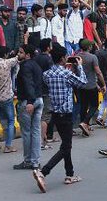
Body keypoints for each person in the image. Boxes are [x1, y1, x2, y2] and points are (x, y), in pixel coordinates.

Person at [31, 47, 88, 192]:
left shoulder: (47, 74)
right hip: (66, 113)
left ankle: (70, 174)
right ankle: (43, 172)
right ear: (63, 58)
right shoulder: (66, 73)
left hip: (56, 113)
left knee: (66, 145)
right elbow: (83, 83)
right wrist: (79, 66)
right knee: (66, 147)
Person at [12, 44, 46, 171]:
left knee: (27, 132)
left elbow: (28, 84)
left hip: (28, 101)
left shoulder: (25, 67)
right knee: (36, 131)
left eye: (21, 52)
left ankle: (28, 161)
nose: (18, 54)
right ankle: (35, 161)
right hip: (38, 99)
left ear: (28, 55)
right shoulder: (36, 65)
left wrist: (30, 102)